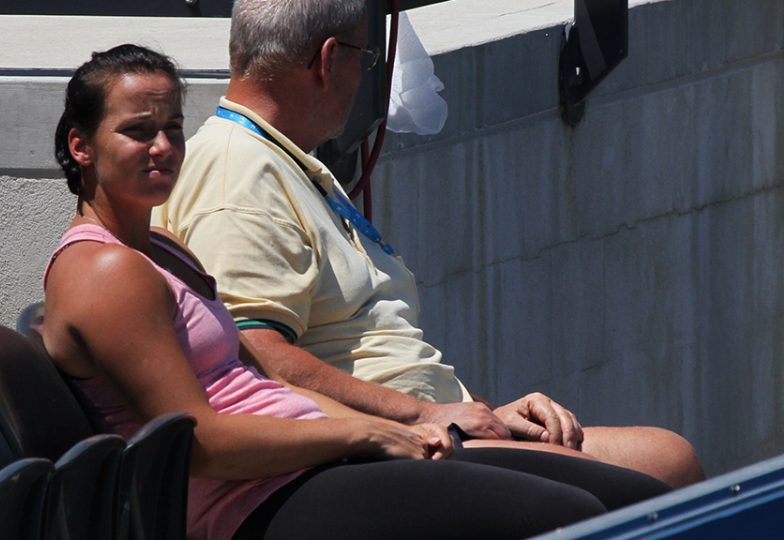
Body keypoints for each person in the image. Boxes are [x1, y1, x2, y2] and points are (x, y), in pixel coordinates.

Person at [44, 44, 670, 540]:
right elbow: (200, 442)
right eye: (138, 131)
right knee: (571, 518)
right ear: (82, 146)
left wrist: (405, 425)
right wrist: (365, 435)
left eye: (173, 127)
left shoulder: (160, 248)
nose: (163, 147)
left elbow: (266, 381)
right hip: (253, 500)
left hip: (311, 461)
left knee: (631, 498)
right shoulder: (105, 271)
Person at [152, 0, 705, 488]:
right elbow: (256, 355)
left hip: (434, 430)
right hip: (382, 454)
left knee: (664, 457)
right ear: (328, 60)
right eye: (367, 59)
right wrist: (421, 416)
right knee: (650, 478)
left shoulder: (281, 161)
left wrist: (484, 413)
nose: (363, 77)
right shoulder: (238, 177)